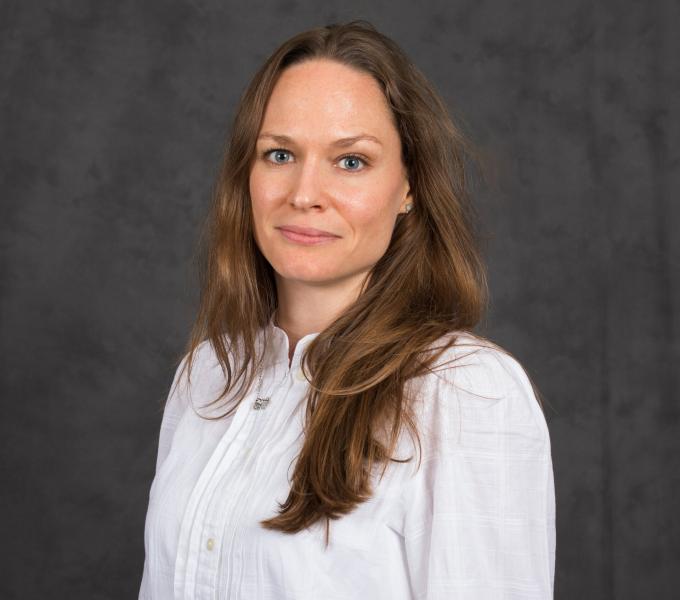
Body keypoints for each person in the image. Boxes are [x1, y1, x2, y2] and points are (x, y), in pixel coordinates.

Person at [138, 20, 556, 600]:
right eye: (279, 153)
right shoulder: (207, 377)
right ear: (247, 175)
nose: (305, 192)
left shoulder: (462, 394)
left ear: (409, 184)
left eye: (351, 161)